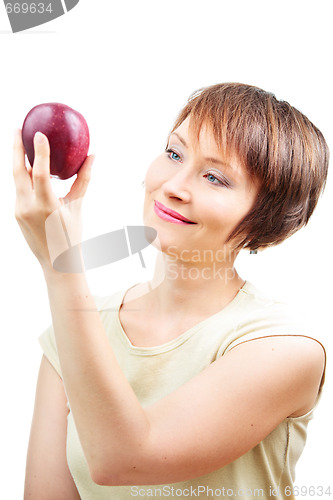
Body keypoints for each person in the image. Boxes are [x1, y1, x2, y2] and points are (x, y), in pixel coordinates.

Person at [14, 83, 329, 500]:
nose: (174, 186)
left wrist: (62, 268)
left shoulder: (285, 348)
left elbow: (124, 459)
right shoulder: (71, 334)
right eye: (174, 153)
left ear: (264, 223)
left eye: (215, 177)